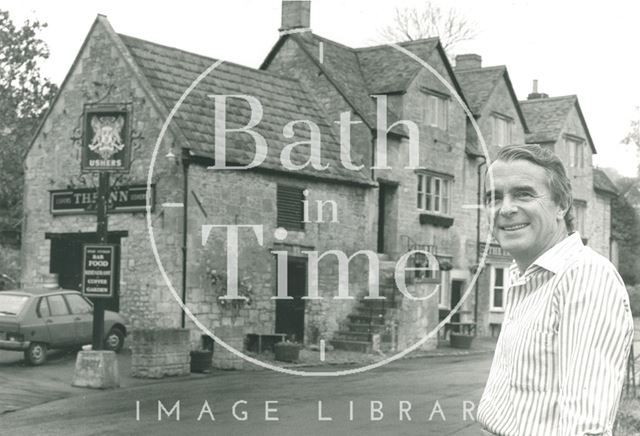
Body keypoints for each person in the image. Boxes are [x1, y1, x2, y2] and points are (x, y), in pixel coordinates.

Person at [477, 144, 634, 436]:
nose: (505, 208)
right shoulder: (527, 276)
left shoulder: (584, 277)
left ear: (562, 205)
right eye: (493, 197)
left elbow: (584, 428)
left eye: (523, 194)